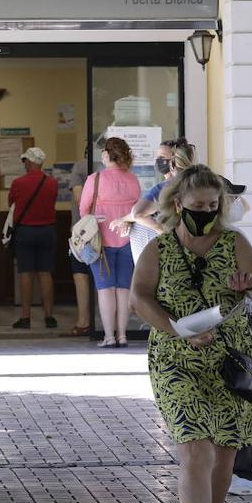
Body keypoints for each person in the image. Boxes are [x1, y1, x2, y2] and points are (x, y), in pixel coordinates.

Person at [130, 165, 252, 503]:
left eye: (214, 206)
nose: (207, 212)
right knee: (196, 450)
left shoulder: (236, 243)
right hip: (176, 357)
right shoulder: (158, 249)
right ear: (177, 205)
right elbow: (139, 298)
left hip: (230, 360)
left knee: (224, 454)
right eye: (198, 206)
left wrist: (251, 285)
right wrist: (175, 328)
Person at [80, 137, 141, 348]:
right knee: (123, 290)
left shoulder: (95, 179)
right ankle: (123, 335)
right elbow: (138, 211)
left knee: (105, 289)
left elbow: (84, 209)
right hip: (127, 239)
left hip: (100, 241)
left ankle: (108, 337)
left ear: (107, 154)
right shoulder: (132, 179)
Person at [8, 146, 60, 329]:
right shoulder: (53, 183)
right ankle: (49, 316)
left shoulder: (18, 183)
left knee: (26, 273)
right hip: (47, 230)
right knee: (45, 273)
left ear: (29, 162)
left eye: (25, 161)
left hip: (25, 231)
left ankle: (25, 317)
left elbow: (11, 203)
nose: (24, 164)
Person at [64, 137, 101, 338]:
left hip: (82, 232)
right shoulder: (111, 169)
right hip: (106, 231)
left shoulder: (80, 167)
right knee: (102, 278)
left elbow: (79, 199)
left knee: (81, 276)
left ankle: (83, 321)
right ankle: (102, 323)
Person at [121, 137, 195, 234]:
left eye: (162, 157)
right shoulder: (195, 182)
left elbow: (137, 213)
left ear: (174, 161)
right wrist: (126, 219)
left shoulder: (164, 188)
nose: (158, 161)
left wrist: (163, 232)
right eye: (157, 158)